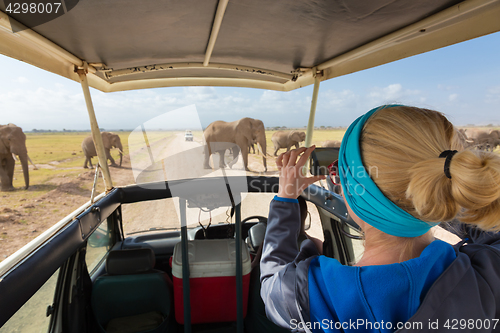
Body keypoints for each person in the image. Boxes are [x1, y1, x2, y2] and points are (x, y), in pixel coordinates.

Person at [260, 105, 500, 332]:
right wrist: (442, 194)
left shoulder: (304, 293)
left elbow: (271, 278)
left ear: (354, 191)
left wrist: (286, 199)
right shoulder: (488, 278)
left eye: (339, 173)